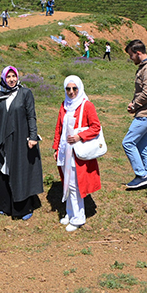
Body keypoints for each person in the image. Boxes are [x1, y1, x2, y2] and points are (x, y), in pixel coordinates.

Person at [0, 66, 42, 220]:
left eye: (14, 76)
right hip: (4, 139)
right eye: (8, 77)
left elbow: (31, 116)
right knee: (4, 170)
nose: (11, 79)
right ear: (4, 78)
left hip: (20, 139)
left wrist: (33, 137)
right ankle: (4, 205)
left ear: (18, 77)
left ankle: (22, 209)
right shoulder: (0, 95)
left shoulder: (25, 93)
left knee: (19, 170)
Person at [51, 75, 102, 232]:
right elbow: (59, 127)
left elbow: (96, 127)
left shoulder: (87, 105)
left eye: (74, 88)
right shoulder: (64, 105)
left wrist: (80, 136)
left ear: (80, 88)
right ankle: (70, 212)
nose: (71, 92)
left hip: (77, 152)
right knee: (66, 183)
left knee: (74, 185)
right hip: (65, 150)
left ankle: (78, 217)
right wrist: (56, 148)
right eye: (68, 89)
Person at [122, 40, 147, 190]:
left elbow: (146, 93)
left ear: (138, 53)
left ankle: (141, 175)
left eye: (131, 55)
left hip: (146, 113)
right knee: (143, 146)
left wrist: (134, 104)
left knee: (128, 142)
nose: (131, 58)